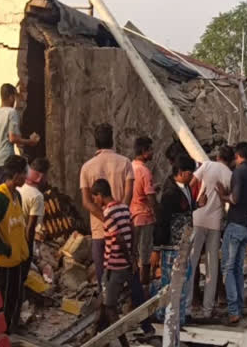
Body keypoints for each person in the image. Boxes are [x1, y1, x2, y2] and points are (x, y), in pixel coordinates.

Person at [80, 123, 134, 292]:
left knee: (103, 279)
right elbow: (128, 194)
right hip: (123, 231)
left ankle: (108, 311)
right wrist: (118, 218)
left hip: (99, 231)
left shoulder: (87, 167)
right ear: (112, 140)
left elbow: (86, 202)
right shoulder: (125, 163)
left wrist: (107, 219)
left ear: (96, 142)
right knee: (126, 275)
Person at [0, 155, 29, 332]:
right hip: (5, 261)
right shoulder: (0, 199)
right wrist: (4, 249)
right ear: (16, 174)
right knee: (3, 299)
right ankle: (0, 334)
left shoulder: (16, 195)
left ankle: (10, 330)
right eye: (24, 173)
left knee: (15, 297)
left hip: (17, 259)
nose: (26, 177)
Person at [188, 145, 233, 318]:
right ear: (230, 160)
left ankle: (189, 306)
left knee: (192, 262)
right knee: (212, 266)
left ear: (218, 156)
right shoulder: (229, 175)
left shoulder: (206, 165)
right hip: (215, 222)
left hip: (198, 217)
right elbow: (226, 198)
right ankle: (208, 309)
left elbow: (191, 184)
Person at [153, 154, 198, 325]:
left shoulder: (184, 188)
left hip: (183, 244)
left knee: (183, 280)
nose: (191, 176)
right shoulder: (170, 193)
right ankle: (166, 317)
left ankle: (177, 316)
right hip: (172, 245)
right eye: (189, 173)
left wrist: (197, 205)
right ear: (180, 172)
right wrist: (157, 248)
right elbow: (162, 220)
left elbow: (186, 207)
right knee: (170, 282)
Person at [217, 142, 247, 324]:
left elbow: (234, 198)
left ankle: (234, 310)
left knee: (228, 268)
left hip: (235, 224)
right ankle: (239, 306)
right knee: (237, 268)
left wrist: (222, 196)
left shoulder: (239, 172)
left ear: (237, 155)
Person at [90, 178, 134, 340]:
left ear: (100, 195)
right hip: (120, 264)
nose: (95, 201)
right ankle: (93, 338)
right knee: (102, 303)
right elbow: (132, 230)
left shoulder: (108, 213)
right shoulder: (124, 207)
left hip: (114, 265)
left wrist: (129, 258)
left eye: (95, 197)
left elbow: (119, 238)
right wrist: (132, 255)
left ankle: (123, 342)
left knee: (109, 307)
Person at [0, 84, 39, 186]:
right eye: (15, 97)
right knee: (9, 196)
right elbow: (12, 138)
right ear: (11, 97)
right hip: (6, 163)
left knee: (0, 196)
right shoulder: (11, 112)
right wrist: (29, 142)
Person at [129, 137, 156, 292]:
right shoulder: (145, 171)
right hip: (145, 217)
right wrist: (157, 215)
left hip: (132, 216)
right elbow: (150, 197)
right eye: (150, 150)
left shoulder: (130, 167)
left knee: (133, 253)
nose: (152, 152)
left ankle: (134, 288)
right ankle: (143, 288)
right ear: (144, 152)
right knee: (145, 256)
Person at [17, 157, 49, 271]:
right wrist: (29, 253)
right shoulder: (37, 196)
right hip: (24, 245)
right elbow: (30, 228)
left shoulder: (19, 188)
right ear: (41, 176)